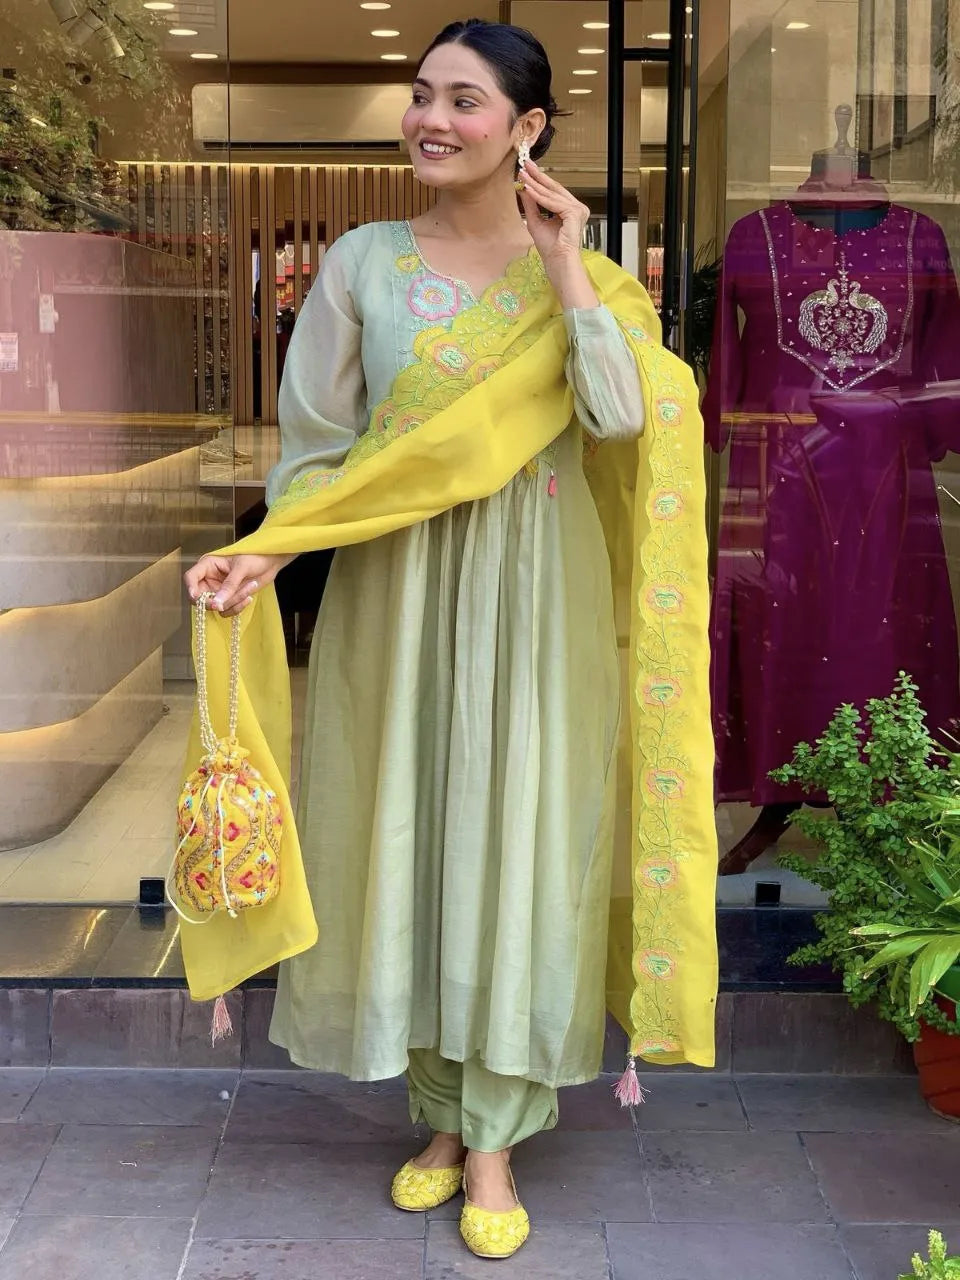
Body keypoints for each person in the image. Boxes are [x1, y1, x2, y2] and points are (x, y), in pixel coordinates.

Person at [183, 19, 718, 1262]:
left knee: (515, 836)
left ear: (527, 129)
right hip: (399, 587)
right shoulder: (364, 261)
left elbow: (624, 414)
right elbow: (319, 452)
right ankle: (436, 1117)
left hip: (539, 592)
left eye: (464, 101)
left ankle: (496, 1134)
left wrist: (573, 268)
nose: (429, 118)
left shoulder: (587, 279)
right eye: (419, 95)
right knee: (412, 832)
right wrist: (265, 550)